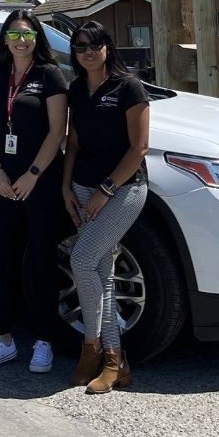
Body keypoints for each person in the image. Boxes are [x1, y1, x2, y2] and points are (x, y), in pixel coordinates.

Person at [0, 9, 68, 374]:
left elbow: (57, 131)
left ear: (37, 38)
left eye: (27, 34)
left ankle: (44, 342)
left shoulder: (50, 75)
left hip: (38, 183)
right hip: (1, 180)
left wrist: (33, 174)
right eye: (14, 35)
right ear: (5, 40)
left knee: (41, 261)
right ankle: (2, 341)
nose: (21, 41)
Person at [61, 20, 150, 392]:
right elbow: (74, 142)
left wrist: (106, 189)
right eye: (81, 46)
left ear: (107, 48)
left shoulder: (129, 87)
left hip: (124, 190)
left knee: (81, 260)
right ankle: (116, 362)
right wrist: (66, 186)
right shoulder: (78, 89)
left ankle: (91, 347)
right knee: (102, 273)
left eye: (95, 45)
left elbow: (139, 148)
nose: (88, 52)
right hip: (81, 188)